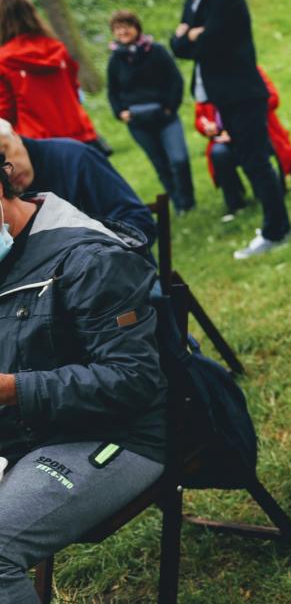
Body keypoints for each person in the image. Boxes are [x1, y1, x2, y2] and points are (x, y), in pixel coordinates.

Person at [0, 152, 166, 601]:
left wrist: (13, 390)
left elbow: (134, 379)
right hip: (21, 433)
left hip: (113, 434)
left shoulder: (87, 258)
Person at [169, 0, 291, 259]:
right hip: (225, 96)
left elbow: (209, 43)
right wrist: (192, 35)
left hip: (242, 93)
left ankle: (276, 231)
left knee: (255, 162)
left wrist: (194, 36)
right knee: (252, 162)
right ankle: (275, 226)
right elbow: (178, 45)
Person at [0, 117, 156, 249]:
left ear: (15, 134)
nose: (7, 171)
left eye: (3, 155)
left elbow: (139, 222)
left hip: (123, 270)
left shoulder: (75, 158)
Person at [107, 9, 195, 215]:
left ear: (136, 27)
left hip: (165, 117)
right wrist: (121, 113)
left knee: (178, 159)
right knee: (160, 164)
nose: (122, 32)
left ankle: (188, 198)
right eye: (117, 29)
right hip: (138, 123)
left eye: (126, 26)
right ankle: (178, 202)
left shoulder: (156, 51)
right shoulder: (115, 60)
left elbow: (175, 80)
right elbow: (113, 92)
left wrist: (169, 107)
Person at [0, 0, 102, 153]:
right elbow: (74, 91)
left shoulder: (4, 60)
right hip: (80, 135)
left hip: (40, 142)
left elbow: (5, 110)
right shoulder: (57, 48)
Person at [194, 66, 291, 222]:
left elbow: (272, 98)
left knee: (253, 152)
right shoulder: (207, 80)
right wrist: (207, 126)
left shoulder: (247, 69)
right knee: (219, 154)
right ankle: (236, 202)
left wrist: (239, 122)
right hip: (222, 137)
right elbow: (199, 116)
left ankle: (267, 197)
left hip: (255, 129)